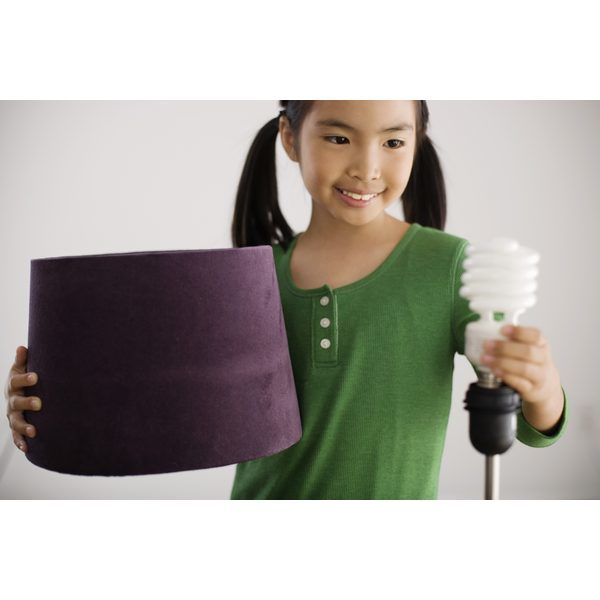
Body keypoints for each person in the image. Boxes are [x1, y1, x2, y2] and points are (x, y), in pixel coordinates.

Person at [4, 100, 569, 499]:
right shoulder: (254, 278)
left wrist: (543, 388)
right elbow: (156, 401)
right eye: (339, 137)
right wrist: (48, 410)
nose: (367, 167)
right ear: (291, 138)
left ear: (416, 143)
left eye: (394, 141)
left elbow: (531, 426)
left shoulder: (450, 266)